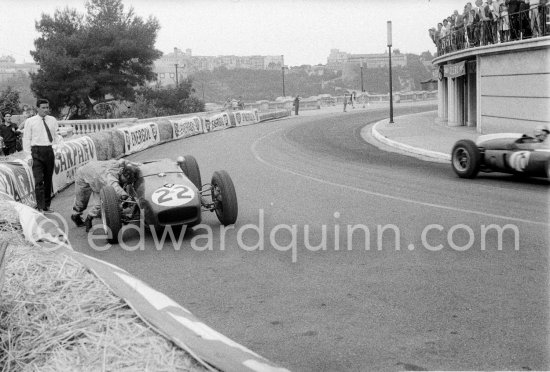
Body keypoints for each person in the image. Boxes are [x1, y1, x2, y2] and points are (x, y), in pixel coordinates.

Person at [71, 159, 140, 232]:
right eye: (126, 180)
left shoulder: (120, 165)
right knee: (81, 202)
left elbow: (125, 161)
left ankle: (89, 217)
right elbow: (117, 189)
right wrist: (127, 198)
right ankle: (75, 215)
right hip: (83, 175)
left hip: (97, 177)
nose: (126, 183)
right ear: (121, 172)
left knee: (99, 205)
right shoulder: (109, 177)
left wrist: (138, 164)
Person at [22, 98, 60, 213]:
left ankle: (46, 206)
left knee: (48, 180)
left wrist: (58, 151)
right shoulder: (30, 121)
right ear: (37, 108)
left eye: (47, 107)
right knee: (39, 180)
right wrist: (28, 156)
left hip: (49, 151)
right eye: (43, 108)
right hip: (36, 152)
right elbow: (26, 139)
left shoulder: (52, 120)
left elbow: (57, 136)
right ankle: (40, 207)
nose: (46, 110)